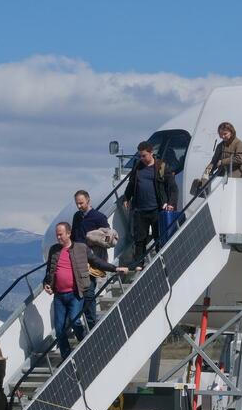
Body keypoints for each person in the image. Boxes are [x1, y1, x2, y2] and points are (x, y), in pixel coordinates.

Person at [44, 222, 128, 360]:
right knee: (59, 330)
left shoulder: (81, 248)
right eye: (57, 234)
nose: (58, 237)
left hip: (75, 294)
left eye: (61, 234)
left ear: (69, 233)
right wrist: (46, 284)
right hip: (59, 296)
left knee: (75, 321)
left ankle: (85, 344)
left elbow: (96, 261)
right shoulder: (54, 250)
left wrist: (114, 268)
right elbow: (49, 271)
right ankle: (66, 358)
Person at [121, 141, 179, 266]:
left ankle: (161, 262)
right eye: (140, 156)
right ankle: (139, 264)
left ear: (151, 153)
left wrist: (171, 203)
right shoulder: (137, 166)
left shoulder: (161, 167)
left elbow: (173, 188)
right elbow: (131, 184)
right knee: (139, 239)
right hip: (140, 210)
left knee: (160, 237)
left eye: (144, 156)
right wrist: (126, 197)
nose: (142, 158)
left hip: (157, 209)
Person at [71, 189, 110, 333]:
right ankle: (83, 323)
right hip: (79, 259)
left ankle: (91, 324)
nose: (79, 206)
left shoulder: (99, 217)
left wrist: (93, 239)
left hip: (93, 259)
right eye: (77, 204)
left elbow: (109, 238)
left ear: (88, 201)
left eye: (81, 203)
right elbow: (74, 236)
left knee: (89, 291)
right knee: (82, 291)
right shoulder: (77, 217)